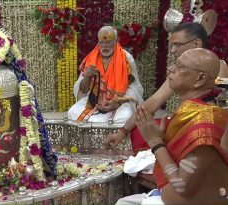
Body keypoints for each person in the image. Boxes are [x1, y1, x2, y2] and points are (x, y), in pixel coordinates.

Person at [117, 48, 228, 205]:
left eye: (180, 66)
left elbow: (182, 187)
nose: (171, 69)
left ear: (200, 78)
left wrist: (155, 142)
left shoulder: (205, 125)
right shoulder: (190, 110)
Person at [104, 22, 208, 151]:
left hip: (205, 128)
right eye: (172, 45)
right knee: (139, 131)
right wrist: (122, 132)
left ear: (197, 44)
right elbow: (154, 102)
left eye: (178, 45)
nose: (173, 50)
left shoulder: (219, 69)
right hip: (182, 122)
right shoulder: (179, 71)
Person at [67, 26, 144, 124]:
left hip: (119, 100)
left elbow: (135, 89)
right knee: (72, 112)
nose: (104, 46)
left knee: (126, 116)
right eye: (101, 43)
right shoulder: (91, 58)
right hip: (94, 99)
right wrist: (87, 76)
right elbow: (83, 90)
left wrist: (116, 103)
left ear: (116, 41)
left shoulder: (126, 59)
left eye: (108, 42)